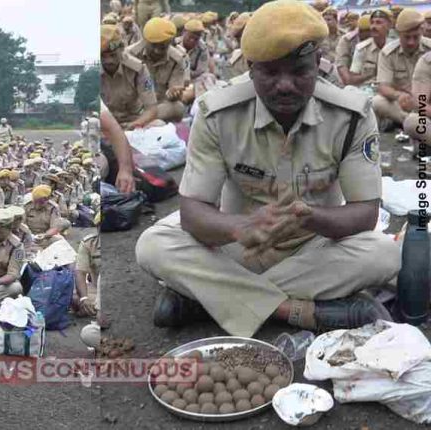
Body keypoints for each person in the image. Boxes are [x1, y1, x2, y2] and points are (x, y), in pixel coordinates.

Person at [135, 0, 400, 338]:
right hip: (237, 246)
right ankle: (295, 311)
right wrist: (239, 227)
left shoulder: (351, 116)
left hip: (314, 248)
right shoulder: (217, 113)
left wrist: (310, 217)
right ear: (250, 67)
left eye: (299, 72)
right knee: (153, 245)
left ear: (318, 62)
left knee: (384, 255)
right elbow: (193, 211)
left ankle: (204, 300)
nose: (285, 85)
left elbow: (364, 213)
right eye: (271, 73)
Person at [373, 9, 431, 129]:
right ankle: (410, 122)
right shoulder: (387, 53)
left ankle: (413, 124)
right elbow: (383, 86)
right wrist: (398, 95)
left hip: (426, 103)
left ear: (421, 31)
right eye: (407, 37)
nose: (411, 42)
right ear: (399, 34)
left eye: (416, 37)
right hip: (404, 104)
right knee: (378, 102)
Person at [126, 17, 189, 124]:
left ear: (169, 43)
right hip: (132, 108)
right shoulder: (130, 55)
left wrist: (173, 94)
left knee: (178, 107)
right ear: (145, 40)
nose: (157, 51)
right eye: (153, 46)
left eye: (162, 47)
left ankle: (142, 122)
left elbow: (175, 90)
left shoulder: (177, 59)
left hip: (158, 107)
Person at [101, 24, 158, 129]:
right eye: (102, 56)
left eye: (113, 55)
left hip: (132, 120)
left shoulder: (138, 69)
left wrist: (135, 124)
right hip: (103, 123)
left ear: (122, 49)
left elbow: (151, 109)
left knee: (159, 124)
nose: (109, 61)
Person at [349, 9, 392, 87]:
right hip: (367, 90)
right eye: (372, 23)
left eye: (378, 23)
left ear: (388, 26)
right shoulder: (361, 48)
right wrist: (369, 75)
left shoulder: (394, 48)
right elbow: (352, 79)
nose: (373, 27)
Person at [335, 14, 372, 85]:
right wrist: (348, 80)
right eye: (362, 31)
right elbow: (341, 62)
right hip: (350, 77)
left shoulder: (378, 39)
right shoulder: (347, 39)